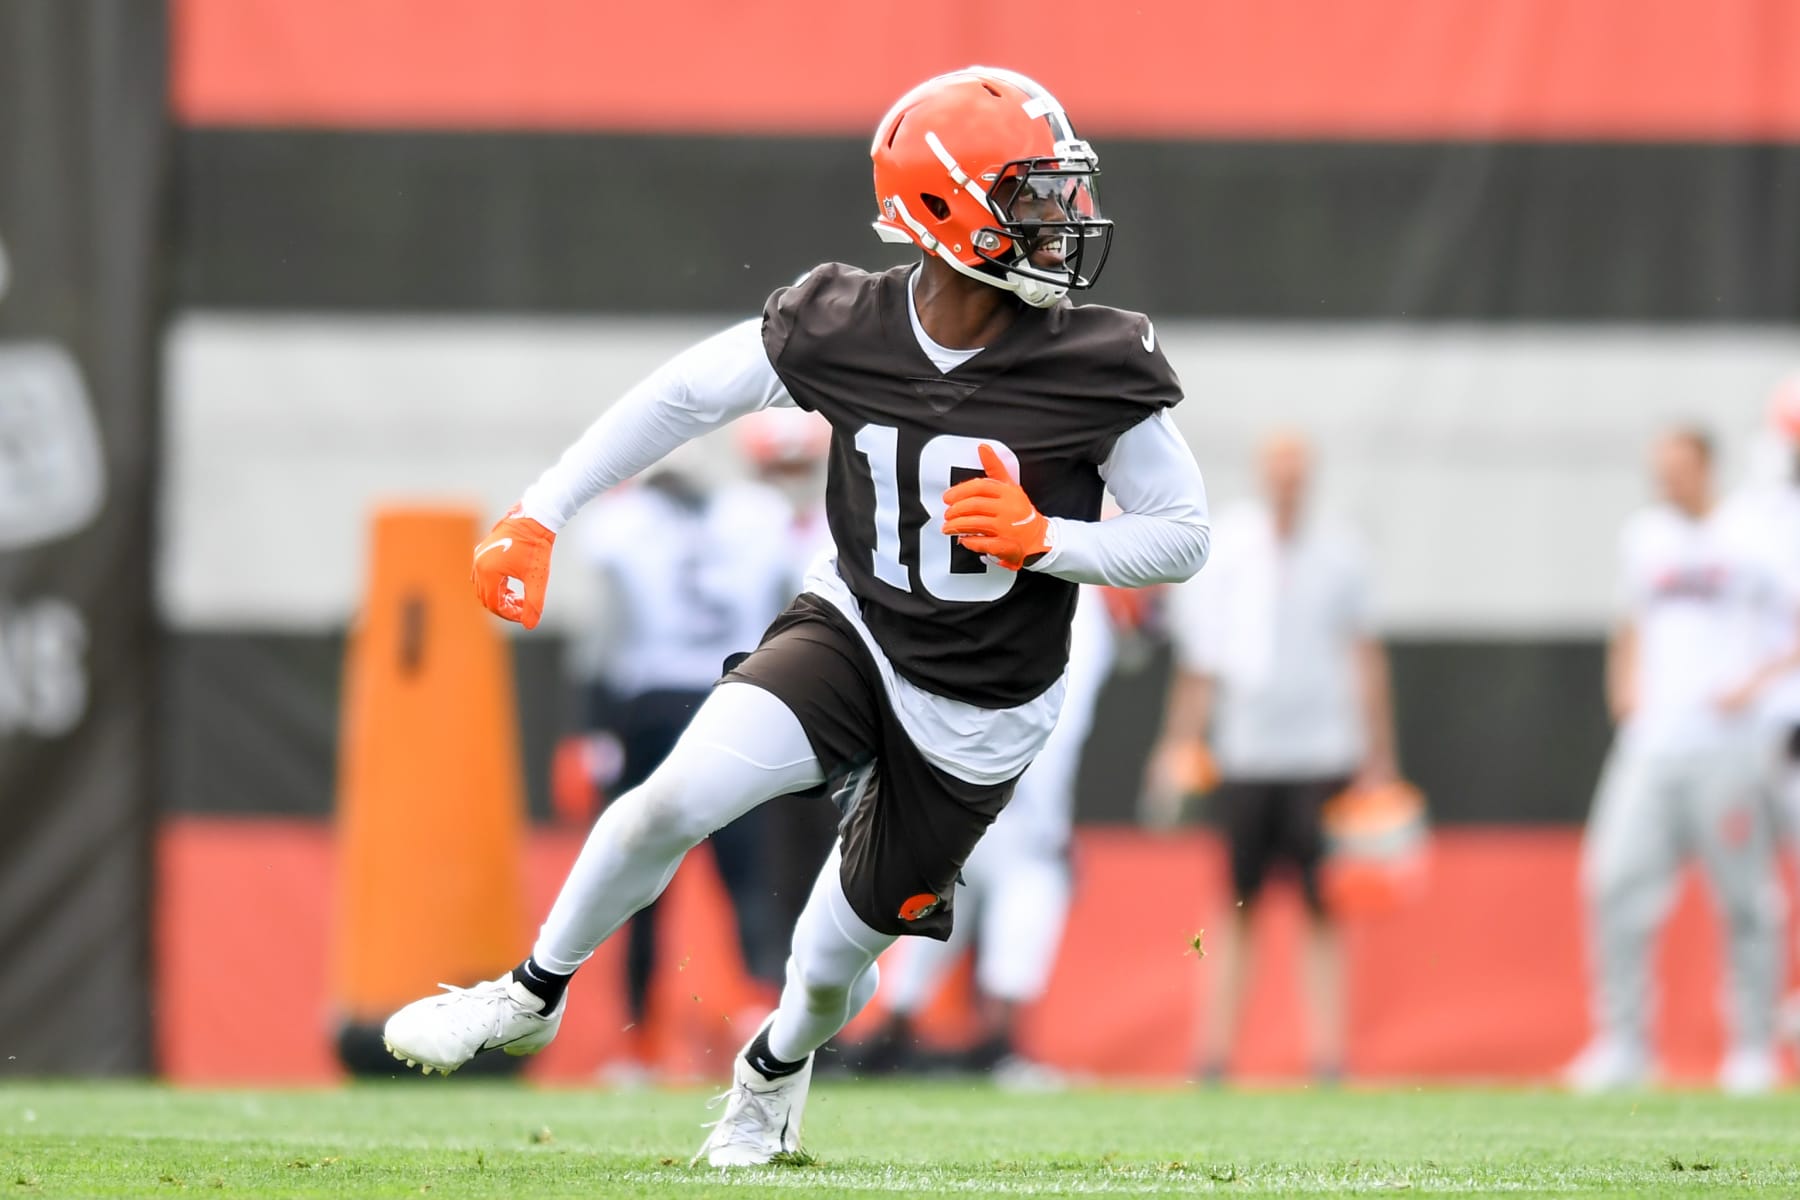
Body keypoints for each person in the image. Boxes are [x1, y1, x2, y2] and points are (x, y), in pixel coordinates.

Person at [381, 66, 1210, 1167]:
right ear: (948, 209)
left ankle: (770, 1077)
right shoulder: (841, 322)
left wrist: (1045, 539)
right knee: (668, 798)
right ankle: (531, 994)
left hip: (984, 704)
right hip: (855, 629)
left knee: (828, 970)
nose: (1064, 223)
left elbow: (1184, 534)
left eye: (1063, 195)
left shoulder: (1093, 358)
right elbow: (683, 395)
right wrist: (543, 510)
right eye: (1033, 197)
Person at [1146, 432, 1396, 1083]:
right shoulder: (1229, 548)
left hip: (1321, 750)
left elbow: (1363, 652)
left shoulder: (1340, 551)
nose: (1287, 483)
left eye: (1296, 472)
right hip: (1248, 751)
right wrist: (1179, 741)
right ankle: (1213, 1054)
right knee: (1236, 902)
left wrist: (1378, 755)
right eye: (1277, 472)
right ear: (1263, 477)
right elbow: (1202, 656)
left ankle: (1327, 1056)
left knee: (1323, 907)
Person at [1564, 426, 1796, 1094]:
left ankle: (1752, 1048)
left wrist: (1757, 684)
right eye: (1658, 468)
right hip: (1651, 745)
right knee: (1613, 884)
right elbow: (1630, 621)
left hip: (1727, 745)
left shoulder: (1755, 534)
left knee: (1746, 898)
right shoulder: (1645, 536)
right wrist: (1623, 691)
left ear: (1706, 467)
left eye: (1677, 468)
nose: (1666, 481)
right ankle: (1624, 1045)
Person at [559, 462, 799, 1080]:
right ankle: (763, 1026)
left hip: (651, 712)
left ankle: (642, 1047)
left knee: (639, 885)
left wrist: (592, 733)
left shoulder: (625, 526)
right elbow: (790, 619)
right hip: (743, 700)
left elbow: (606, 639)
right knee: (748, 878)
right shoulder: (757, 518)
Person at [850, 584, 1116, 1083]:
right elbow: (1059, 719)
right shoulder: (1080, 606)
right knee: (1029, 893)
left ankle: (887, 1038)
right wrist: (1044, 815)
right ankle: (998, 1045)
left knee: (938, 909)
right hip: (1010, 795)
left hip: (954, 776)